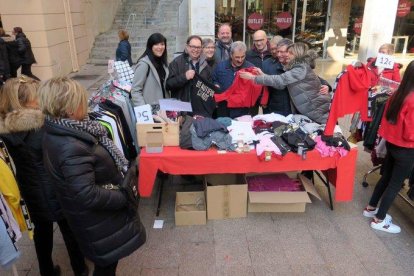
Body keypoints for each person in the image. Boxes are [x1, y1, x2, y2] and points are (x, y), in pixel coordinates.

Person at [39, 77, 146, 275]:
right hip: (98, 221)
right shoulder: (70, 144)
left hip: (94, 219)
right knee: (106, 267)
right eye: (82, 100)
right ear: (70, 108)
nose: (86, 103)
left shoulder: (60, 131)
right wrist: (123, 196)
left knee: (106, 266)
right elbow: (86, 193)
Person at [0, 76, 88, 276]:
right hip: (55, 187)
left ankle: (46, 271)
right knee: (70, 232)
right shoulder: (41, 126)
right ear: (24, 102)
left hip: (29, 188)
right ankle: (80, 270)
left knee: (42, 233)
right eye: (36, 96)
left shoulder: (5, 128)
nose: (40, 99)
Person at [362, 60, 414, 234]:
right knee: (395, 183)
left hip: (392, 144)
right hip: (406, 148)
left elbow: (387, 122)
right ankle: (380, 219)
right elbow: (411, 133)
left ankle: (371, 208)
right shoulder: (412, 99)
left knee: (386, 177)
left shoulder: (398, 93)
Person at [240, 42, 330, 124]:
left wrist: (253, 78)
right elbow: (281, 82)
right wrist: (262, 75)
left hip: (314, 108)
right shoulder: (296, 66)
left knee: (324, 132)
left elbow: (280, 80)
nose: (287, 55)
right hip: (305, 108)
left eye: (290, 53)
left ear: (297, 54)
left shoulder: (300, 68)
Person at [262, 38, 331, 115]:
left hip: (296, 109)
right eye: (278, 51)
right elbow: (264, 88)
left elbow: (314, 77)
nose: (278, 55)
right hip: (277, 108)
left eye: (282, 52)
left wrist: (326, 85)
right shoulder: (269, 65)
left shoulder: (299, 66)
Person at [167, 35, 214, 117]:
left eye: (198, 47)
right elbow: (168, 84)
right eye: (193, 47)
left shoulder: (206, 66)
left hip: (200, 113)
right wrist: (184, 77)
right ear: (187, 47)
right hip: (181, 111)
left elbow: (209, 91)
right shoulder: (176, 62)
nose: (196, 50)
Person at [212, 41, 255, 118]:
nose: (240, 60)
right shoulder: (220, 66)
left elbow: (255, 87)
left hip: (242, 110)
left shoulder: (251, 68)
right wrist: (216, 85)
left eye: (243, 56)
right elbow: (214, 80)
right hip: (223, 108)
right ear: (231, 55)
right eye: (237, 57)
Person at [131, 33, 169, 107]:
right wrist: (145, 110)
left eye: (162, 44)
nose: (160, 47)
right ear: (150, 46)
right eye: (156, 44)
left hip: (163, 110)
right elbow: (135, 90)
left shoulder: (163, 63)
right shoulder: (144, 64)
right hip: (151, 111)